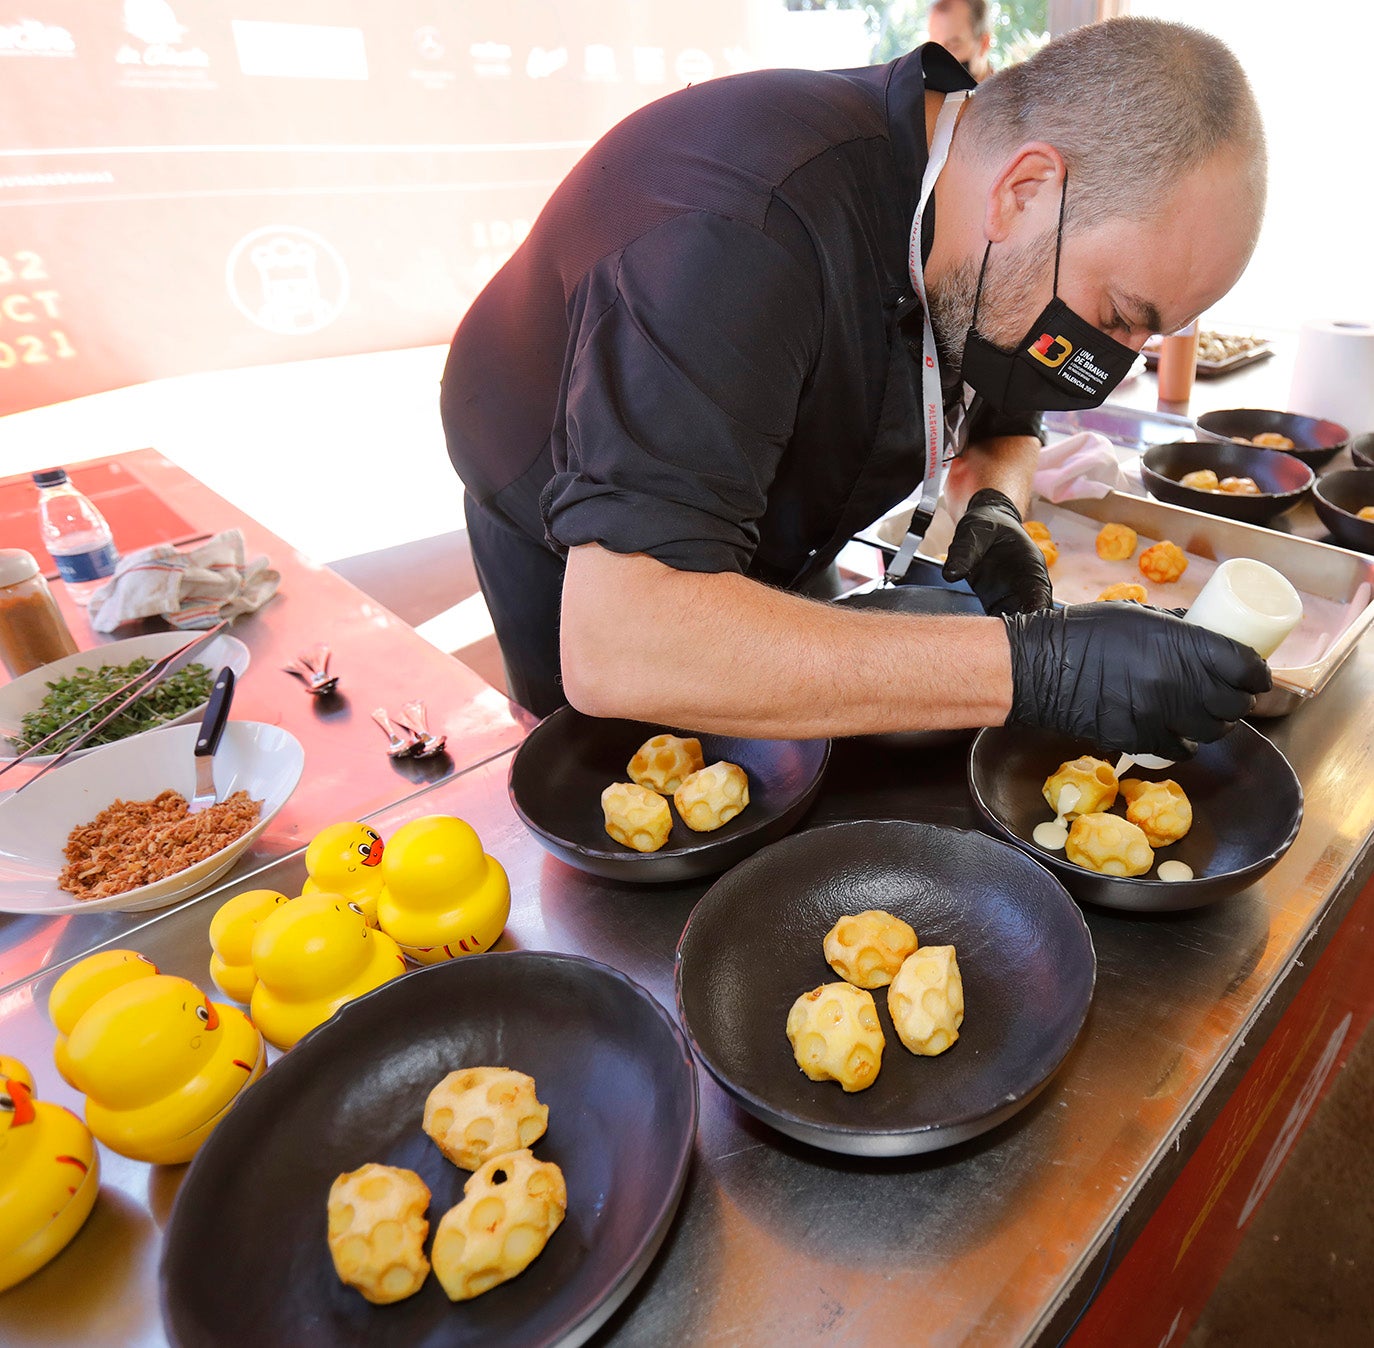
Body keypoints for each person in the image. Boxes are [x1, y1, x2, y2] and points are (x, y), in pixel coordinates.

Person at [440, 17, 1271, 760]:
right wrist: (1034, 670)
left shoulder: (987, 232)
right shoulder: (736, 229)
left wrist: (996, 507)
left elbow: (1005, 414)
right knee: (631, 804)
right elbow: (625, 642)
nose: (1110, 359)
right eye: (1122, 313)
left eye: (1147, 337)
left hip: (781, 530)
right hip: (591, 556)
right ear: (1025, 190)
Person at [927, 0, 994, 82]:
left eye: (952, 46)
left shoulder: (1008, 93)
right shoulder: (923, 92)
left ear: (984, 44)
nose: (938, 59)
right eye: (933, 48)